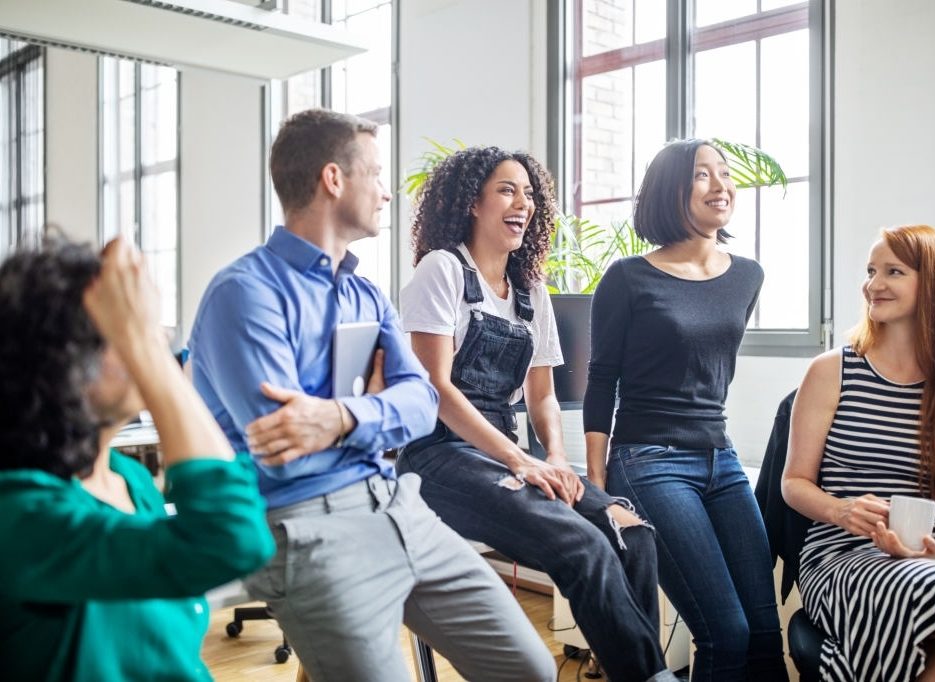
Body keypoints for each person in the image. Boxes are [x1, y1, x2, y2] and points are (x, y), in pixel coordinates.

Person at [188, 110, 555, 682]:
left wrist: (337, 417)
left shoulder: (365, 294)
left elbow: (421, 404)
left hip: (395, 502)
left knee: (531, 668)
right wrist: (377, 413)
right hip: (308, 526)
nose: (387, 193)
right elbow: (286, 446)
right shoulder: (245, 294)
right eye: (377, 175)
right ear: (334, 179)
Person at [398, 145, 679, 682]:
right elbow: (435, 388)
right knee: (582, 546)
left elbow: (542, 395)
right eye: (506, 190)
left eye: (528, 193)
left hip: (507, 452)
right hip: (437, 456)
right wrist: (520, 462)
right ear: (471, 203)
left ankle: (635, 671)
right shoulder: (443, 270)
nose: (521, 203)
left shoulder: (530, 289)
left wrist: (554, 458)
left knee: (633, 534)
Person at [0, 237, 274, 680]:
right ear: (63, 363)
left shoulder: (128, 478)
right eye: (120, 331)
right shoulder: (19, 515)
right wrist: (144, 345)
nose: (157, 336)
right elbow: (233, 537)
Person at [584, 138, 789, 681]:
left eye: (724, 174)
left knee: (766, 635)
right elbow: (601, 382)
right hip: (648, 460)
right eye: (702, 175)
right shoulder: (627, 278)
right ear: (670, 191)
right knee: (727, 633)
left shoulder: (748, 276)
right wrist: (598, 488)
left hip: (721, 461)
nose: (720, 186)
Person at [783, 224, 935, 681]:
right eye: (871, 270)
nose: (874, 284)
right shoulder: (833, 370)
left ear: (934, 284)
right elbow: (793, 483)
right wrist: (841, 510)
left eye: (893, 271)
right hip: (847, 555)